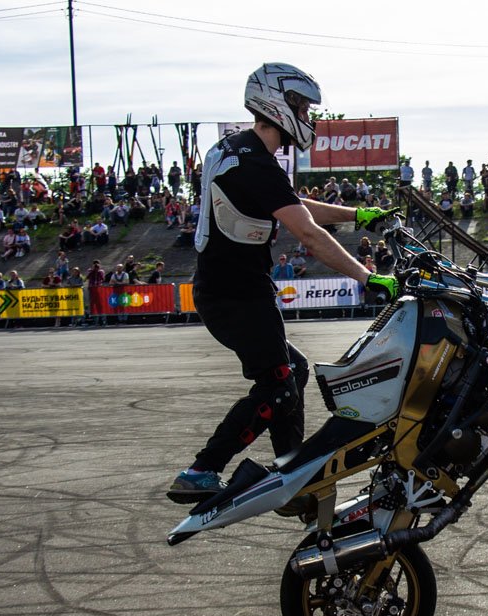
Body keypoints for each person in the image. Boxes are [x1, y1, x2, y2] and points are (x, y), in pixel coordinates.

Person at [168, 63, 396, 504]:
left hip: (228, 290)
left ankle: (293, 476)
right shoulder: (254, 163)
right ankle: (202, 470)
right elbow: (307, 232)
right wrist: (368, 278)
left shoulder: (239, 150)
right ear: (280, 103)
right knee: (278, 384)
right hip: (237, 294)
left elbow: (294, 204)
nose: (308, 116)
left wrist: (357, 215)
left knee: (294, 373)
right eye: (303, 106)